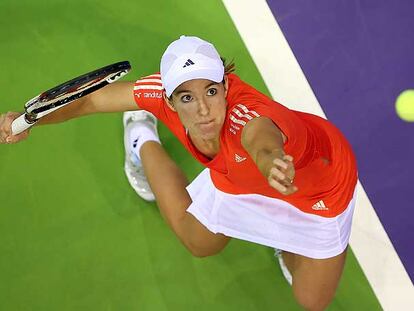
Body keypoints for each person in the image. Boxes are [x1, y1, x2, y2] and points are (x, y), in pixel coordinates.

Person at [0, 35, 358, 311]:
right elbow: (91, 99)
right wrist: (32, 119)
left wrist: (269, 161)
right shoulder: (158, 94)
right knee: (200, 242)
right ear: (167, 100)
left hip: (314, 188)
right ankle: (141, 138)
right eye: (186, 97)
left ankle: (287, 242)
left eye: (212, 91)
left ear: (227, 86)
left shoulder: (247, 116)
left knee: (312, 300)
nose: (203, 109)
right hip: (241, 178)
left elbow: (261, 138)